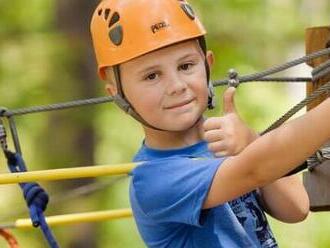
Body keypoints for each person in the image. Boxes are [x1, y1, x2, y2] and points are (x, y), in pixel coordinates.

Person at [90, 0, 329, 247]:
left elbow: (296, 208)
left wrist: (249, 141)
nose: (177, 86)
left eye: (186, 66)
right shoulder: (153, 180)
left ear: (207, 65)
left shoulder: (225, 141)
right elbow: (254, 169)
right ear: (117, 94)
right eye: (152, 76)